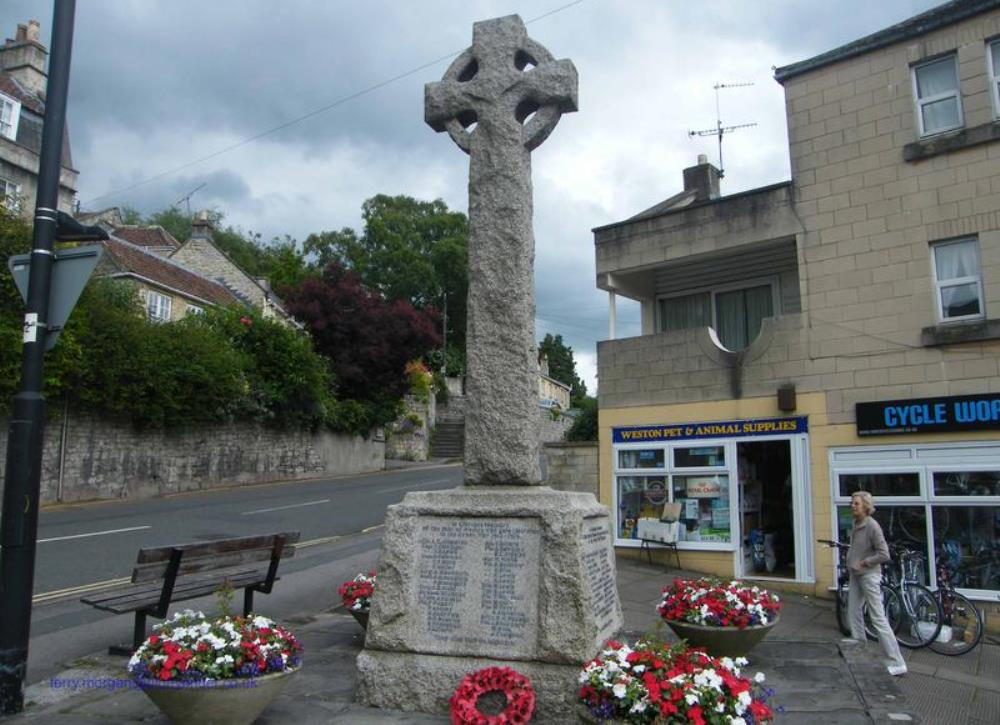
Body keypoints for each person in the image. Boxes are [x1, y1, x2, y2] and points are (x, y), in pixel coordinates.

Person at [845, 490, 907, 676]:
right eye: (852, 503)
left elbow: (884, 554)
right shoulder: (857, 523)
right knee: (853, 610)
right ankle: (859, 644)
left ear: (865, 506)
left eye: (856, 503)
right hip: (856, 574)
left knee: (877, 617)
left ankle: (897, 661)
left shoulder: (873, 526)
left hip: (869, 576)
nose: (852, 506)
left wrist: (864, 562)